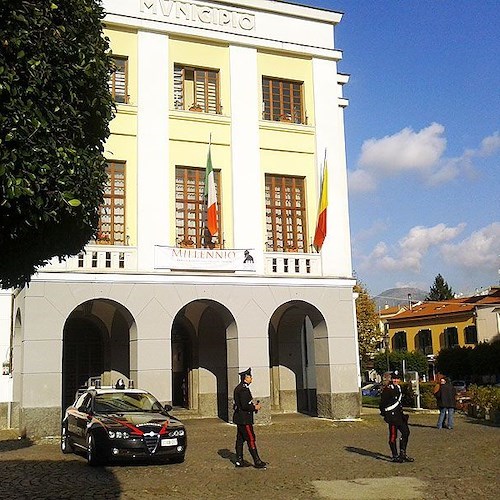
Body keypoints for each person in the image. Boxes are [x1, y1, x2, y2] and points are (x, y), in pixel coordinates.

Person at [232, 367, 267, 469]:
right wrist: (254, 407)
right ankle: (257, 460)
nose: (251, 379)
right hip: (244, 419)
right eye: (250, 377)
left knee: (240, 439)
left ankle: (239, 460)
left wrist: (252, 406)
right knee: (251, 438)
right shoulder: (243, 389)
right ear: (246, 378)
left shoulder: (240, 388)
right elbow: (244, 405)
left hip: (240, 418)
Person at [379, 370, 414, 463]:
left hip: (399, 415)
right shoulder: (388, 389)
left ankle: (403, 453)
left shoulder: (399, 388)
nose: (396, 380)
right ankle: (395, 455)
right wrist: (385, 415)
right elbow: (382, 403)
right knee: (393, 436)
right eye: (394, 379)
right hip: (392, 416)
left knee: (406, 432)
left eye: (397, 379)